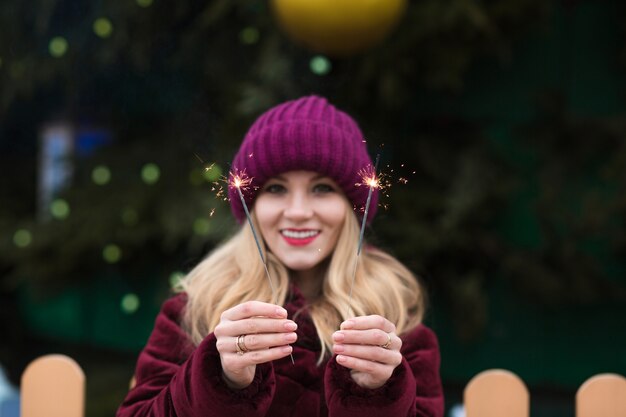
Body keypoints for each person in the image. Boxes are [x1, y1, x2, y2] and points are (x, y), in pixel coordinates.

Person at [116, 96, 444, 417]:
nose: (298, 212)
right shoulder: (196, 308)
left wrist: (379, 396)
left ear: (351, 208)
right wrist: (219, 380)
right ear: (252, 206)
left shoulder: (397, 321)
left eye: (322, 188)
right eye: (275, 189)